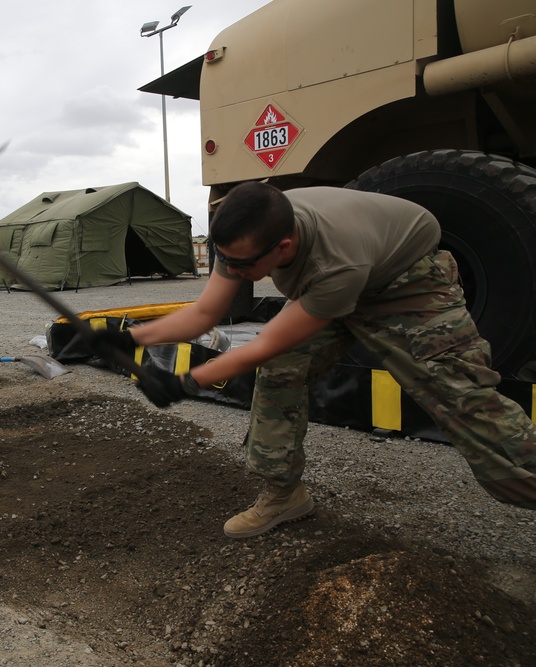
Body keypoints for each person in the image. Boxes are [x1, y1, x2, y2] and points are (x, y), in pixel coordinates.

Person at [93, 182, 536, 538]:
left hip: (405, 281)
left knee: (460, 395)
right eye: (223, 259)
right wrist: (125, 337)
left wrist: (185, 383)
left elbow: (263, 345)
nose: (230, 270)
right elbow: (205, 314)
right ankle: (283, 494)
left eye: (240, 264)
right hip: (344, 273)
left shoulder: (334, 265)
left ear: (284, 248)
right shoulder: (246, 236)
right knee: (283, 371)